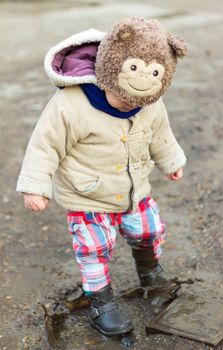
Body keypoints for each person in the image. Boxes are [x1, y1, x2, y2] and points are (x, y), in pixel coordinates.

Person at [16, 17, 187, 337]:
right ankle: (102, 302)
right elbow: (44, 145)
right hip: (87, 196)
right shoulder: (70, 105)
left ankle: (150, 272)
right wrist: (35, 186)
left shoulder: (148, 100)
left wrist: (170, 160)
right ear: (108, 74)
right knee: (95, 248)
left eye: (139, 102)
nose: (131, 105)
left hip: (135, 189)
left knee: (148, 230)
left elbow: (160, 133)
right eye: (125, 99)